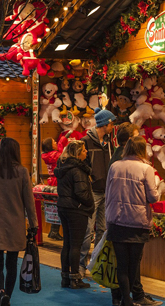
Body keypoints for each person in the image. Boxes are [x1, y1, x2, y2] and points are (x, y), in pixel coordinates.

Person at [0, 137, 38, 306]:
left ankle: (1, 293)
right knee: (11, 265)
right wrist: (34, 224)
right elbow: (29, 201)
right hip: (16, 225)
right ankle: (8, 299)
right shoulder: (22, 172)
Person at [106, 124, 161, 306]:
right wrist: (159, 189)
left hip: (116, 220)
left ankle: (124, 302)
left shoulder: (114, 166)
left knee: (121, 264)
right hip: (136, 221)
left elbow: (107, 193)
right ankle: (130, 301)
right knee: (133, 264)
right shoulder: (146, 169)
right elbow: (153, 197)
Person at [79, 107, 116, 276]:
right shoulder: (86, 141)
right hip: (93, 191)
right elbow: (82, 163)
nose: (113, 126)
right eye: (111, 123)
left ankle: (96, 265)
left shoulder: (109, 143)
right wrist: (91, 177)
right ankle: (81, 264)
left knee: (102, 228)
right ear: (105, 124)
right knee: (88, 229)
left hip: (106, 190)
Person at [54, 140, 94, 289]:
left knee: (67, 244)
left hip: (63, 207)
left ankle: (65, 277)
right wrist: (90, 203)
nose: (86, 152)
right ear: (77, 153)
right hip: (76, 209)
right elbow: (81, 192)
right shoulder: (78, 170)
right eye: (84, 151)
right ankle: (75, 278)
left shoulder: (63, 167)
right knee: (76, 245)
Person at [40, 137, 62, 241]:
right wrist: (62, 144)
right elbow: (64, 157)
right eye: (54, 141)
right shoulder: (56, 155)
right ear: (50, 145)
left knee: (54, 206)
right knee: (58, 206)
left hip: (51, 181)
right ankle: (54, 231)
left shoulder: (46, 156)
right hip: (57, 181)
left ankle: (53, 230)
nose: (56, 142)